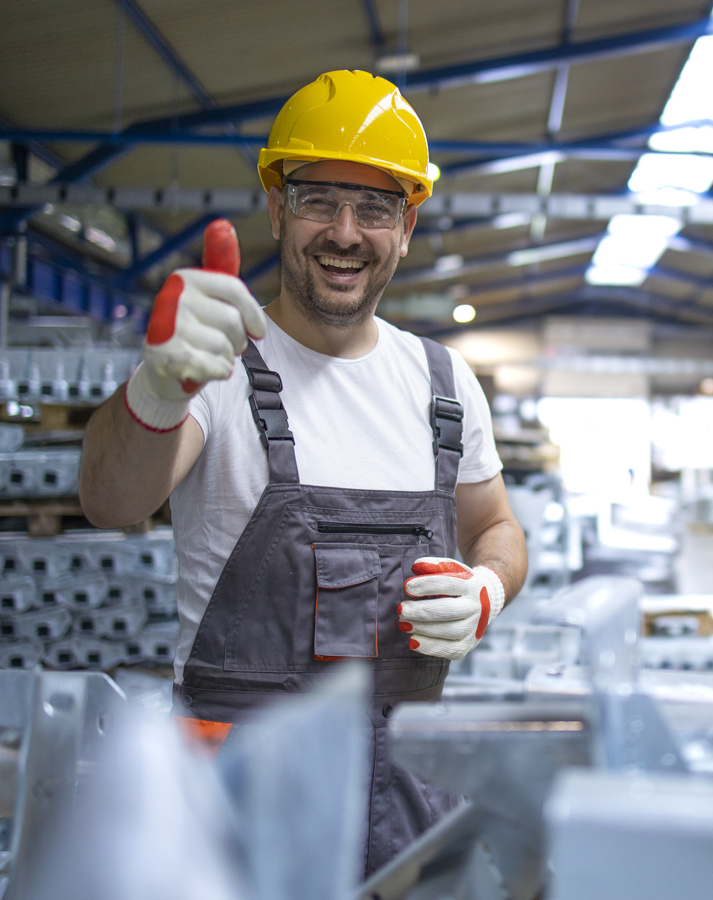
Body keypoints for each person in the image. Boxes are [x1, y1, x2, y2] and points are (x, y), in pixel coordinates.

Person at [78, 69, 527, 875]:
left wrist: (488, 587)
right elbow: (111, 502)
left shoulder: (443, 383)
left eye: (376, 208)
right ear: (278, 206)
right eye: (319, 199)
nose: (345, 232)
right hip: (238, 810)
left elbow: (497, 526)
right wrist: (155, 390)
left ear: (408, 223)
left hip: (413, 807)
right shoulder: (215, 364)